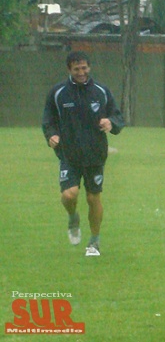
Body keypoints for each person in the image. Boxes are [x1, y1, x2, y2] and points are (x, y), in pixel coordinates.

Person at [42, 51, 125, 256]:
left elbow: (117, 116)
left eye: (84, 68)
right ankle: (73, 218)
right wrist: (51, 135)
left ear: (89, 67)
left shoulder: (101, 91)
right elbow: (48, 120)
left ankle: (94, 242)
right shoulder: (58, 92)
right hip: (68, 155)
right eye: (77, 69)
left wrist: (110, 122)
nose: (81, 72)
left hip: (95, 154)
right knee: (69, 195)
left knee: (92, 197)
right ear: (69, 69)